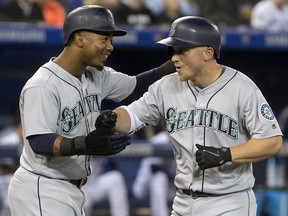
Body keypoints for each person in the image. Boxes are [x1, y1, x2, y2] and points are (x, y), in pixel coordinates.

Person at [7, 5, 175, 216]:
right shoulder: (43, 84)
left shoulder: (96, 75)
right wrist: (84, 144)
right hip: (42, 189)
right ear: (80, 39)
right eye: (104, 39)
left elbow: (136, 86)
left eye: (111, 40)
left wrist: (174, 64)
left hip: (72, 189)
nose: (110, 47)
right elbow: (40, 141)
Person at [107, 16, 283, 215]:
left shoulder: (242, 88)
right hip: (182, 202)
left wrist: (226, 154)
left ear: (207, 52)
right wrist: (110, 119)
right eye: (173, 50)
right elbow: (131, 115)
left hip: (229, 203)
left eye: (182, 50)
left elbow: (272, 141)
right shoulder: (167, 85)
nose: (174, 57)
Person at [132, 121, 175, 216]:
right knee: (159, 177)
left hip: (171, 188)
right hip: (146, 186)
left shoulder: (185, 141)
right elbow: (154, 168)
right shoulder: (160, 140)